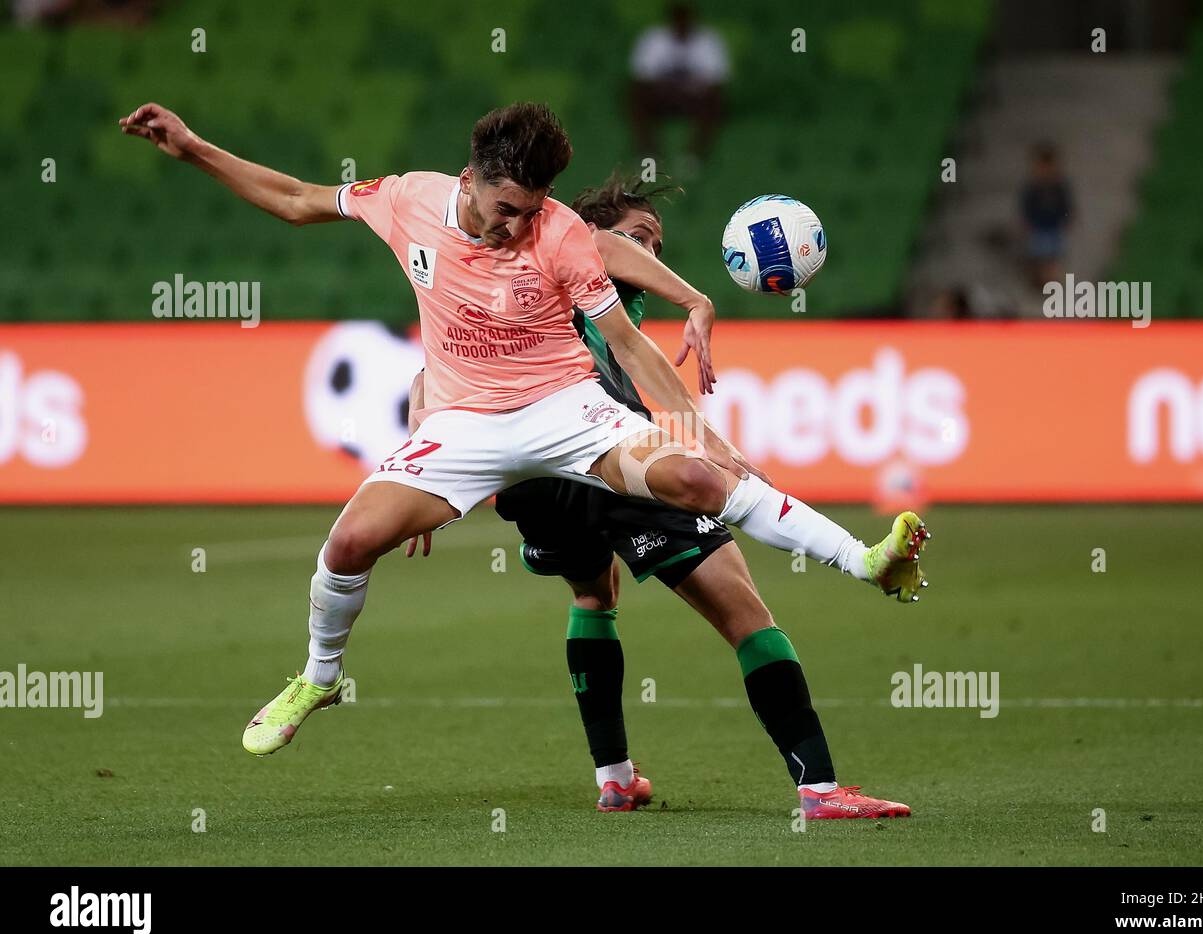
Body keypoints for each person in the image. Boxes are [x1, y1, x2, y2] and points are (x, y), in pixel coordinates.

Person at [118, 102, 928, 814]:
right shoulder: (406, 199)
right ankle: (320, 677)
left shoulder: (563, 233)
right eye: (506, 207)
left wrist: (695, 431)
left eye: (530, 211)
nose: (516, 226)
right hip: (465, 426)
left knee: (695, 479)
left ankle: (865, 562)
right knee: (349, 543)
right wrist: (192, 147)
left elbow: (628, 347)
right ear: (468, 180)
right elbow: (296, 200)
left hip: (563, 411)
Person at [404, 173, 926, 817]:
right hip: (593, 447)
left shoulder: (509, 281)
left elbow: (430, 372)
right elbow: (602, 243)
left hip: (533, 482)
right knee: (747, 616)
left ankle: (616, 779)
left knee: (594, 593)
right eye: (642, 237)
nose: (649, 253)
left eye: (658, 242)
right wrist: (696, 299)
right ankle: (820, 788)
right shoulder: (575, 244)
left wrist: (419, 462)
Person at [628, 2, 728, 169]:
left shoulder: (708, 41)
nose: (681, 25)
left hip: (694, 98)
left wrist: (684, 90)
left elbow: (716, 83)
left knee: (716, 101)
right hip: (663, 97)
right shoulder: (653, 39)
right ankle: (649, 152)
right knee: (636, 97)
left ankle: (694, 155)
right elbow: (641, 79)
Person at [1020, 141, 1073, 288]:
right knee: (1040, 256)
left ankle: (1052, 283)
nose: (1045, 170)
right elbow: (1026, 207)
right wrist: (1026, 222)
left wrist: (1067, 219)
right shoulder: (1032, 187)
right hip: (1038, 227)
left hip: (1054, 226)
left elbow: (1067, 205)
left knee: (1053, 257)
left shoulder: (1059, 186)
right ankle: (1040, 283)